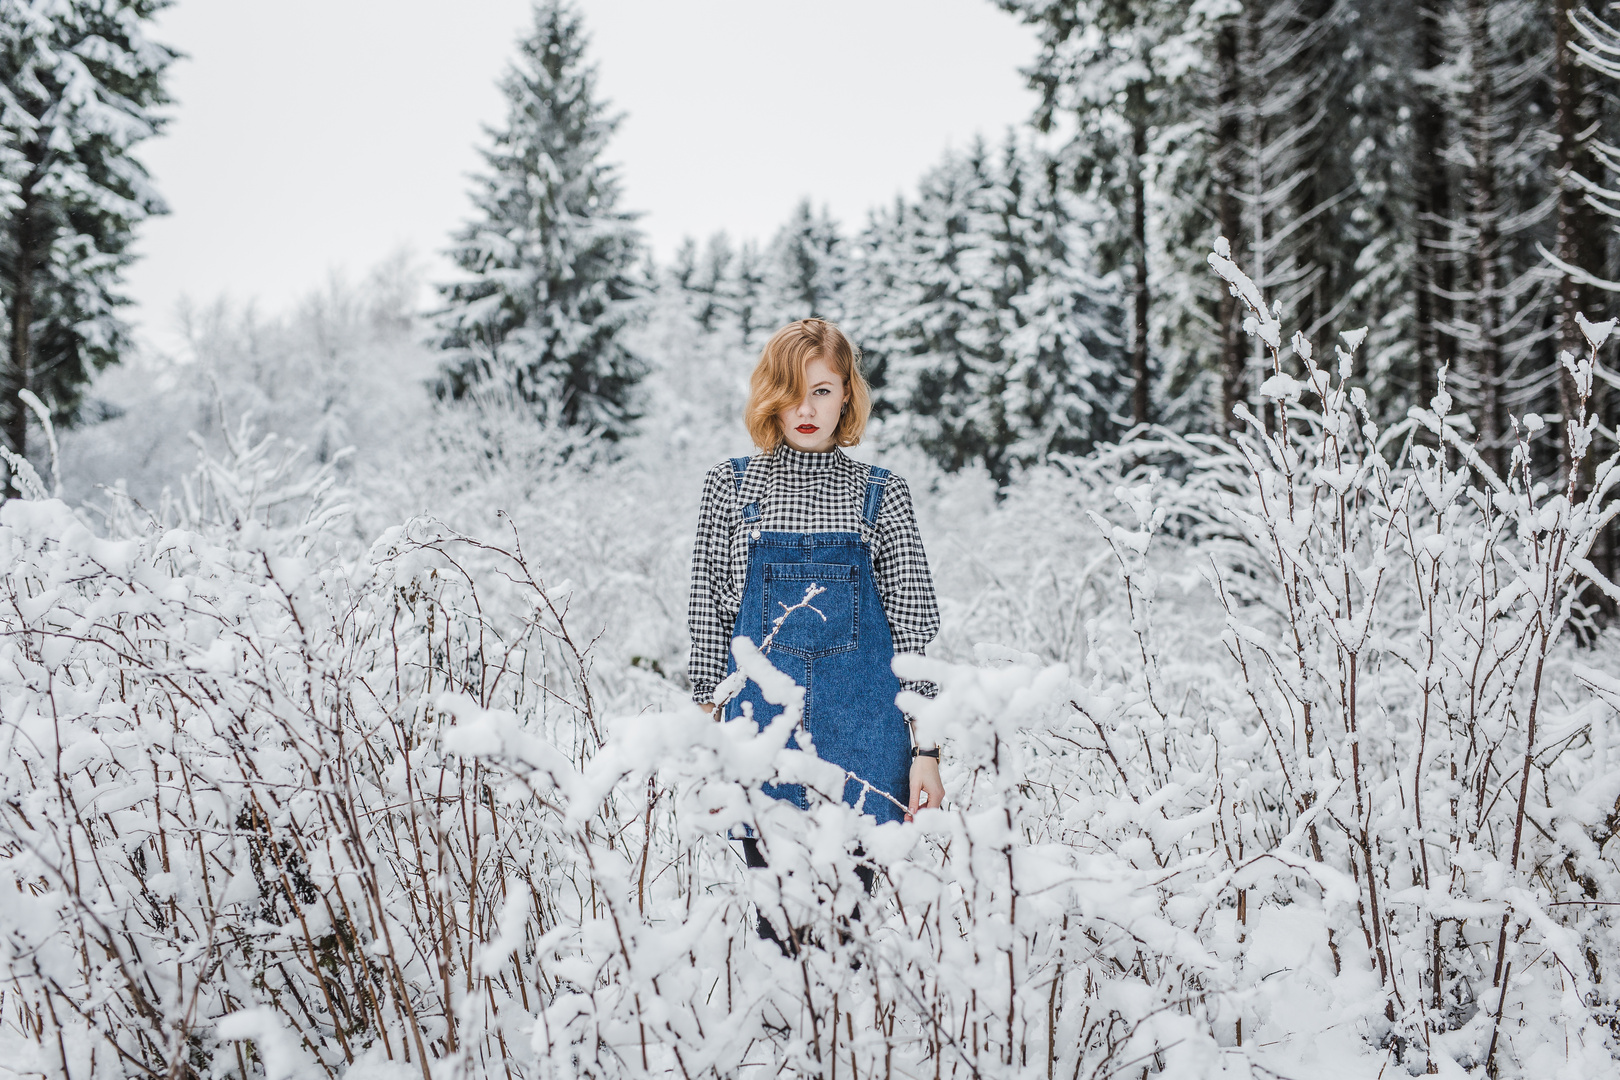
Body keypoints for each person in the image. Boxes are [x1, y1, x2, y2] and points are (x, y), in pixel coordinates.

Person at [686, 318, 945, 840]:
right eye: (791, 393)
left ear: (846, 394)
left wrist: (927, 754)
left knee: (852, 919)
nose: (806, 410)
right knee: (776, 915)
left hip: (869, 743)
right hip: (757, 740)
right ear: (770, 397)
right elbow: (708, 626)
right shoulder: (729, 487)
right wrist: (705, 748)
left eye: (822, 391)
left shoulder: (881, 493)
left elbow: (916, 635)